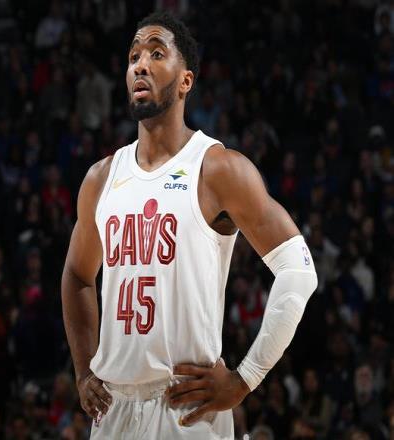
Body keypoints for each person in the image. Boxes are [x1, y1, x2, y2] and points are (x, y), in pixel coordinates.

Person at [61, 11, 318, 439]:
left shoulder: (218, 168)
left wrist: (245, 378)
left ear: (186, 81)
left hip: (185, 407)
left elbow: (299, 269)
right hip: (114, 409)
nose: (140, 65)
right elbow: (76, 276)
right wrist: (83, 370)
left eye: (156, 54)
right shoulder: (101, 178)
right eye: (133, 56)